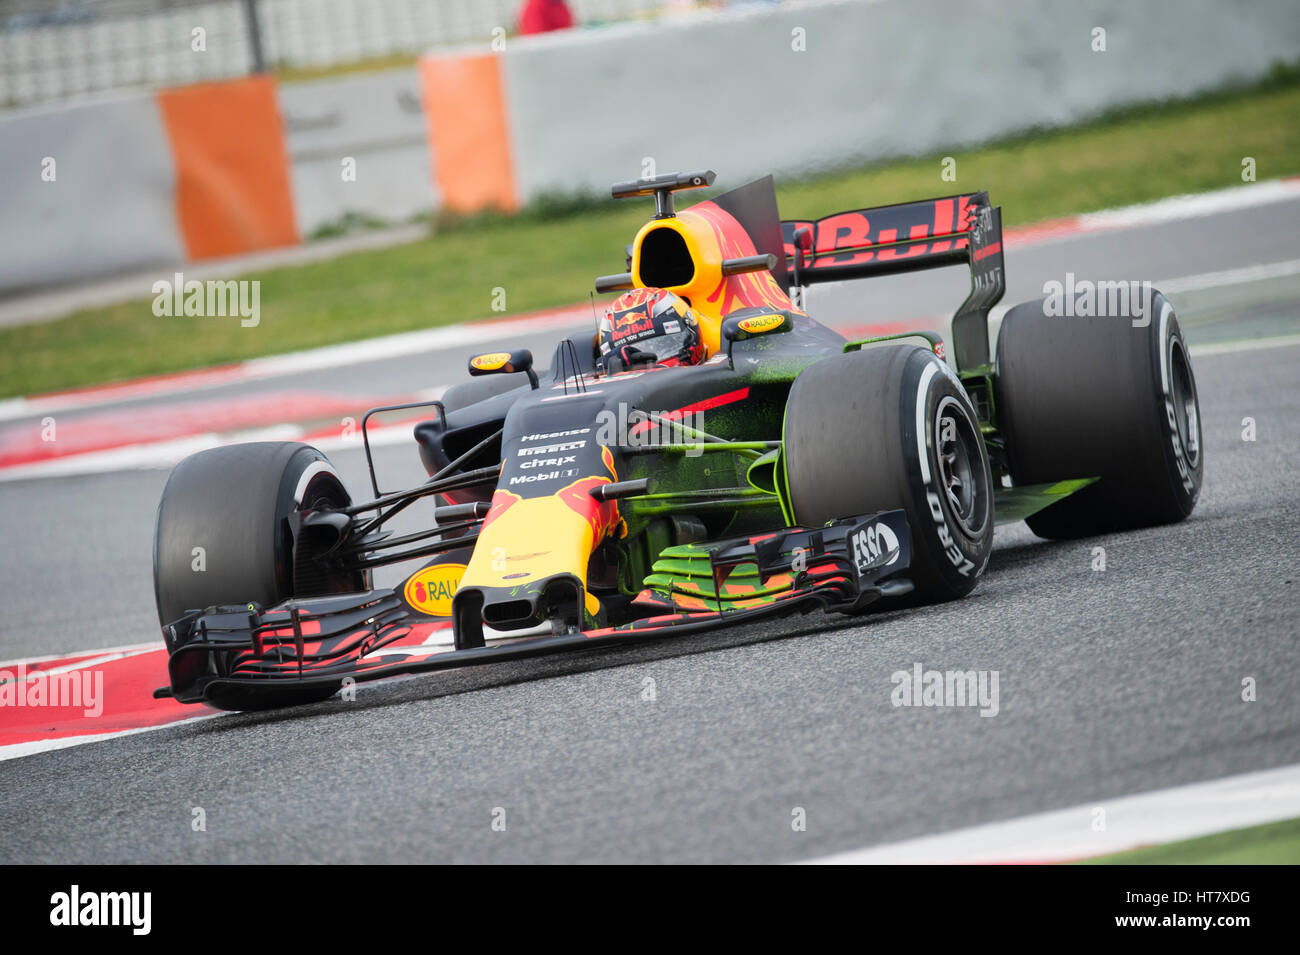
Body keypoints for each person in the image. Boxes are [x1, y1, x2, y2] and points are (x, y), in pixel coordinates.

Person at [598, 288, 708, 373]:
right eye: (636, 354)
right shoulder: (623, 402)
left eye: (665, 345)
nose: (652, 365)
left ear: (691, 329)